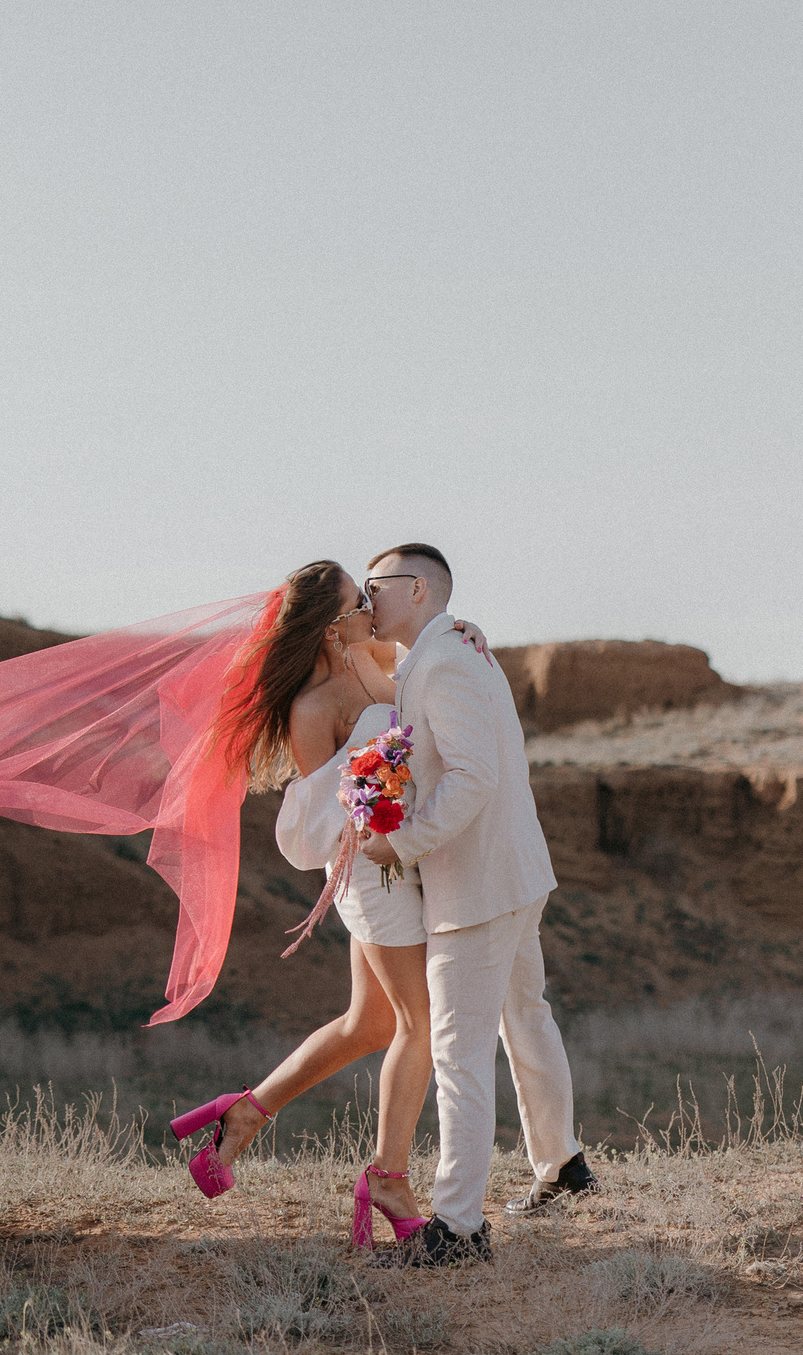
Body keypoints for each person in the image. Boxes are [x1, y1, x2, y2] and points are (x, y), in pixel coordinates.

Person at [177, 560, 474, 1250]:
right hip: (370, 877)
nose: (372, 607)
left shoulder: (371, 654)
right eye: (358, 601)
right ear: (331, 624)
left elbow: (430, 664)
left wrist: (470, 639)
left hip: (400, 860)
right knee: (421, 1023)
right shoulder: (311, 710)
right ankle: (389, 1176)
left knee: (368, 1024)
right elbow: (322, 822)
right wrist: (378, 799)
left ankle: (247, 1113)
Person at [357, 542, 592, 1265]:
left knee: (460, 1051)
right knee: (526, 1017)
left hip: (479, 884)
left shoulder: (450, 657)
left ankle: (458, 1227)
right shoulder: (450, 651)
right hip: (513, 873)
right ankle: (563, 1165)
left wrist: (406, 843)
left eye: (377, 586)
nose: (368, 599)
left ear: (419, 589)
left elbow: (473, 774)